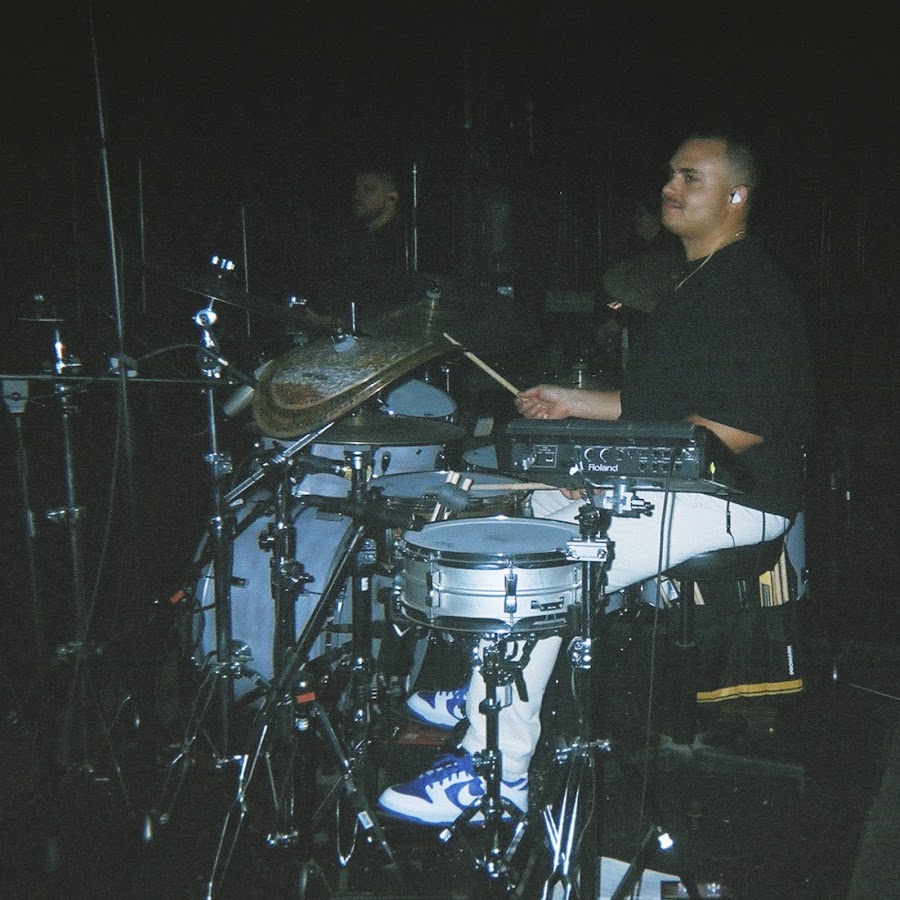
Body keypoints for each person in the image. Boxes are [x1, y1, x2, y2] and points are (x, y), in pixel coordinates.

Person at [377, 130, 815, 826]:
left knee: (545, 569)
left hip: (733, 497)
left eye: (690, 178)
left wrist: (610, 471)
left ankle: (499, 774)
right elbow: (663, 411)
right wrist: (575, 405)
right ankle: (479, 682)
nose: (670, 188)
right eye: (670, 174)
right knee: (521, 522)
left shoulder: (748, 286)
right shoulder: (698, 283)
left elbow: (738, 427)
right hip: (688, 484)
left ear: (736, 196)